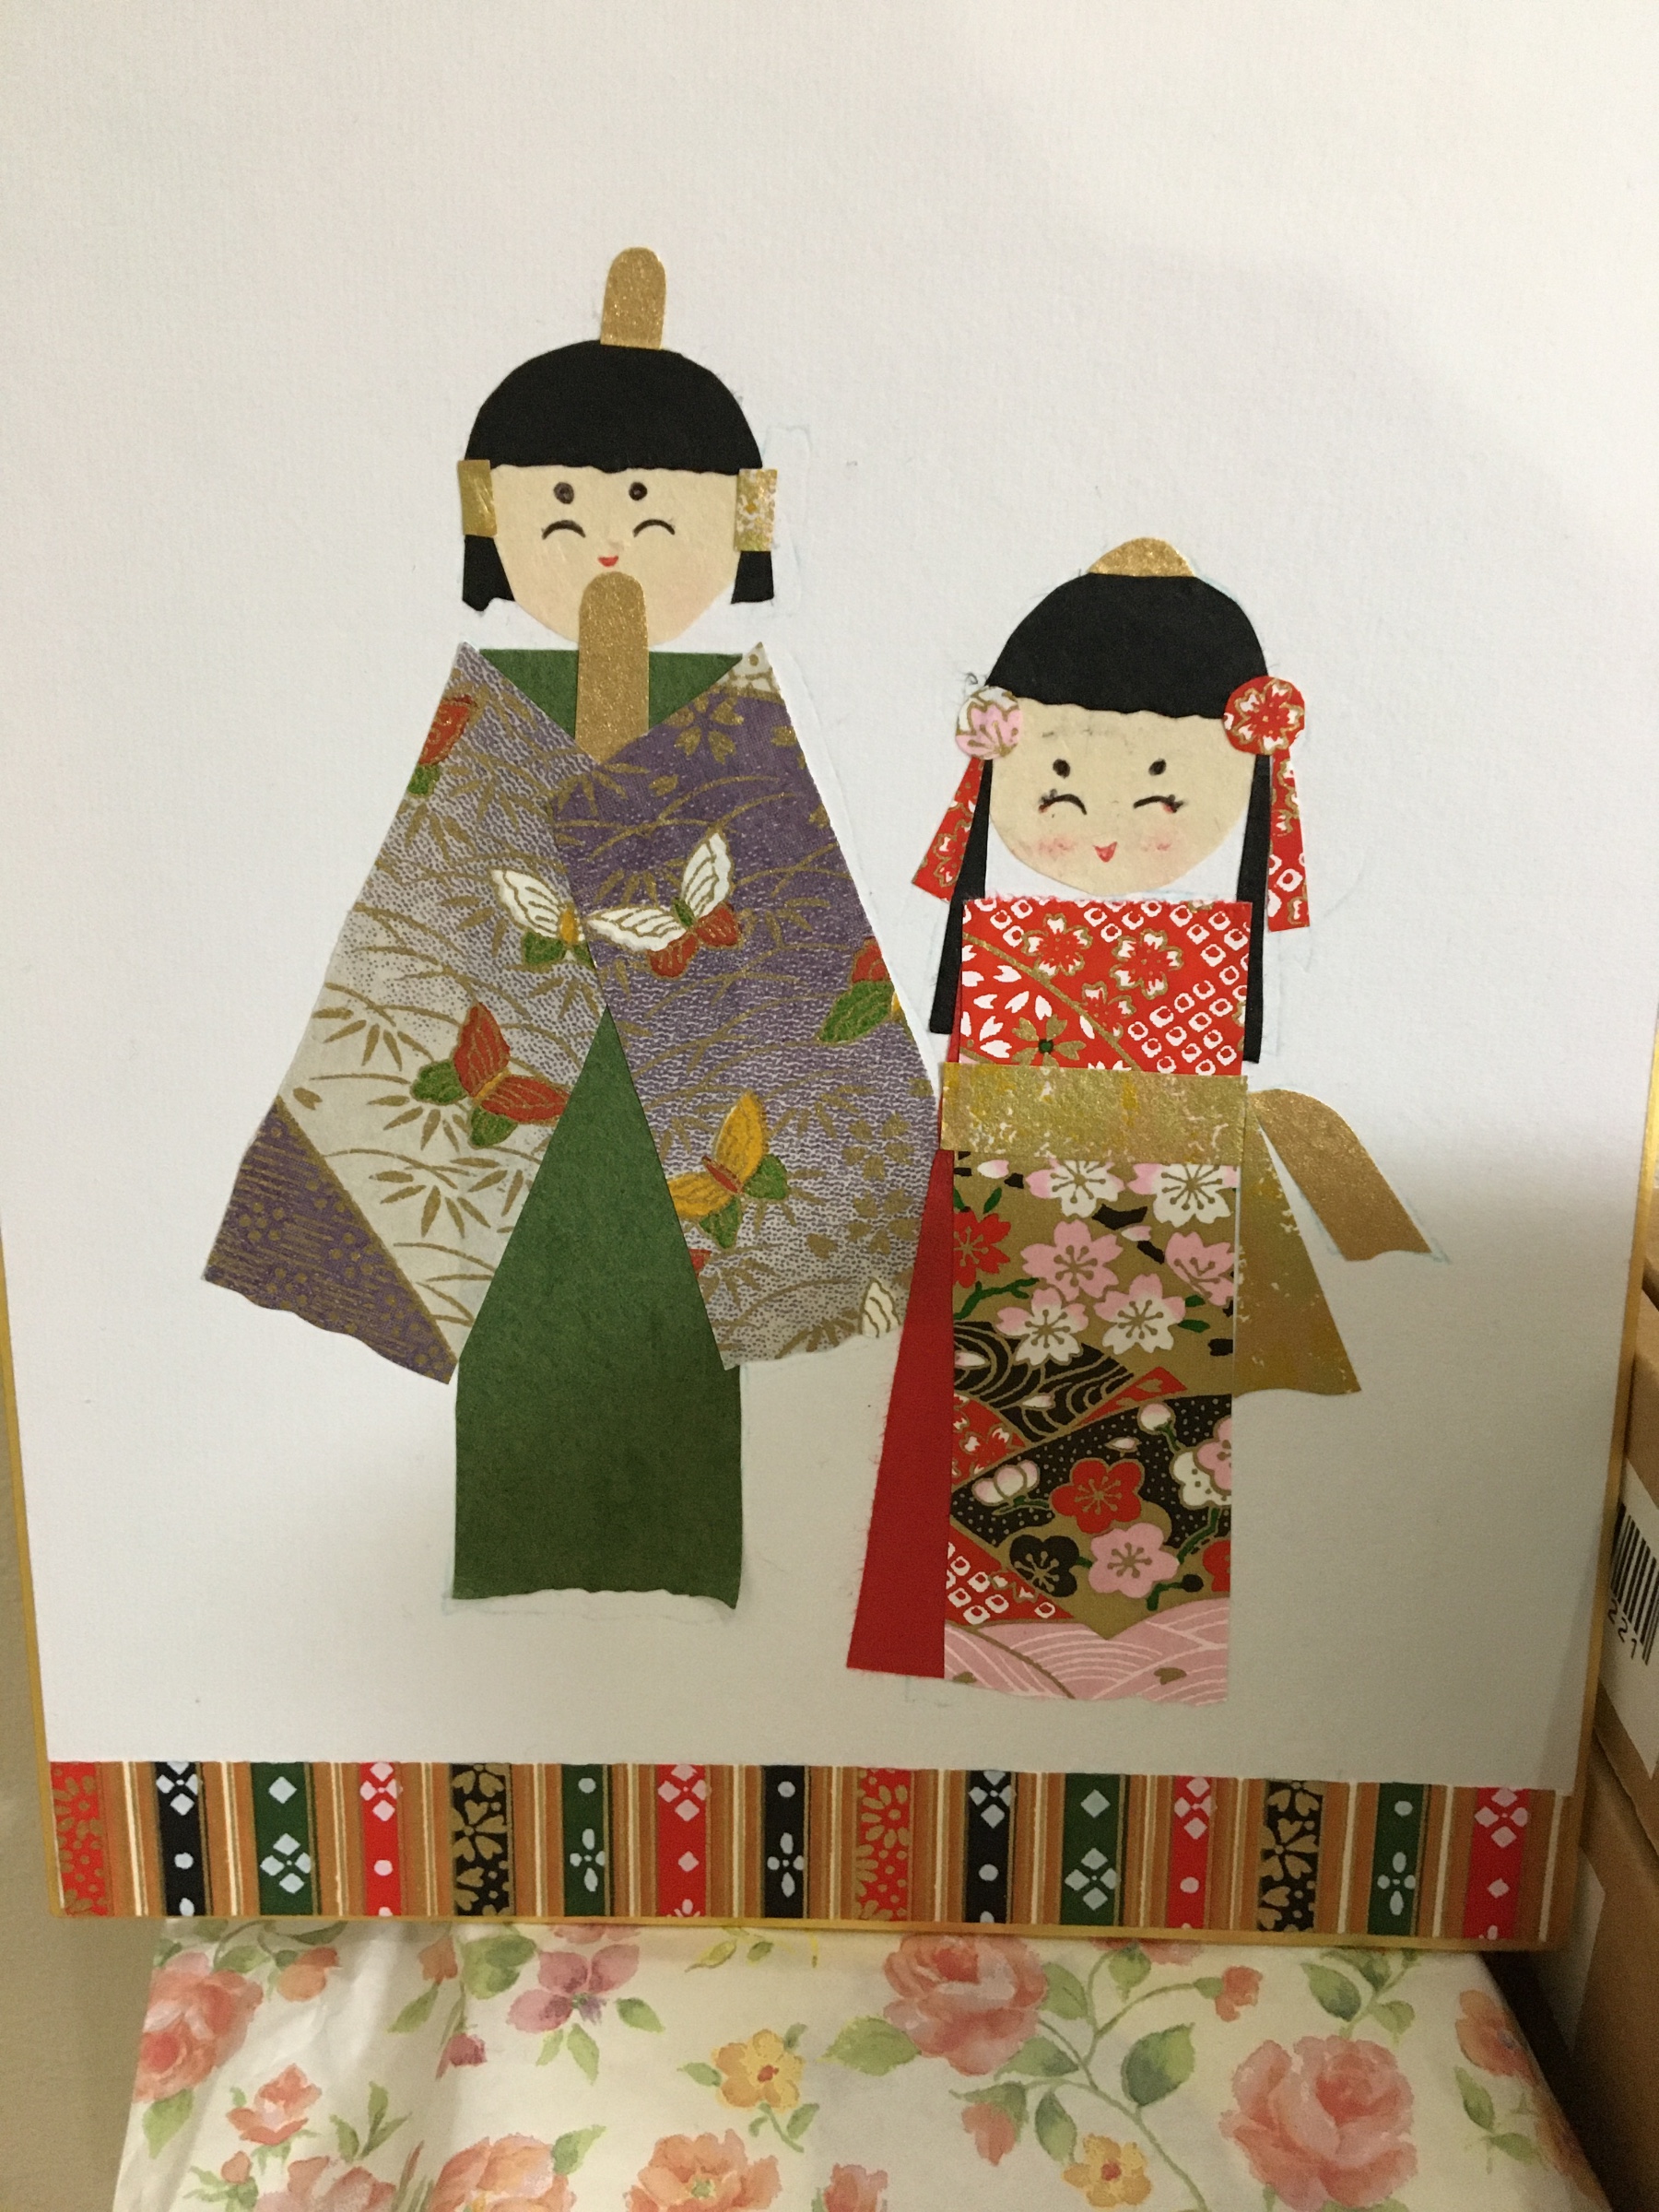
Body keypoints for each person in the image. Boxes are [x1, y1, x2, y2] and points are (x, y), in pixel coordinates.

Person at [206, 250, 935, 1606]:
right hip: (515, 1066)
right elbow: (424, 927)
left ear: (745, 517)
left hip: (709, 1082)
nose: (610, 543)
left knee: (699, 1240)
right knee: (529, 1271)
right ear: (488, 511)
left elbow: (791, 960)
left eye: (654, 513)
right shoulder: (503, 701)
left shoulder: (724, 716)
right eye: (565, 508)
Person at [850, 537, 1427, 1703]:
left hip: (1165, 1230)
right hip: (1001, 1208)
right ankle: (1003, 1662)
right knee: (970, 1440)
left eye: (1163, 792)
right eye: (1061, 786)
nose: (1107, 829)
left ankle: (1109, 1663)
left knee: (1149, 1459)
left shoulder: (1204, 954)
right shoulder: (1009, 947)